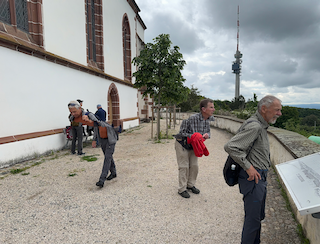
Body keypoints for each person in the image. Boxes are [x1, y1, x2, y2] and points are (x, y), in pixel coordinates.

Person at [224, 95, 282, 244]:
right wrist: (249, 167)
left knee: (257, 217)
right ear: (264, 109)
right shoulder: (255, 126)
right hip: (253, 179)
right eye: (277, 110)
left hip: (259, 178)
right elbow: (231, 146)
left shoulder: (260, 124)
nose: (279, 114)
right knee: (252, 220)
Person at [174, 99, 215, 198]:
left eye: (213, 107)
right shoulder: (192, 118)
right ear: (203, 109)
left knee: (194, 166)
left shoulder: (209, 119)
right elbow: (182, 132)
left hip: (194, 145)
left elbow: (208, 132)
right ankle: (182, 189)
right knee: (184, 166)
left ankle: (190, 185)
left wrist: (206, 135)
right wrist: (194, 136)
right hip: (182, 143)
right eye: (211, 107)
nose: (213, 109)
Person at [82, 112, 119, 188]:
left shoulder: (101, 122)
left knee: (107, 159)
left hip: (110, 142)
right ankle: (113, 173)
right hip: (103, 141)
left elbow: (98, 122)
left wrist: (89, 115)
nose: (85, 122)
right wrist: (94, 140)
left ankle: (102, 180)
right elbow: (96, 131)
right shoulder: (95, 125)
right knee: (108, 157)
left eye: (86, 120)